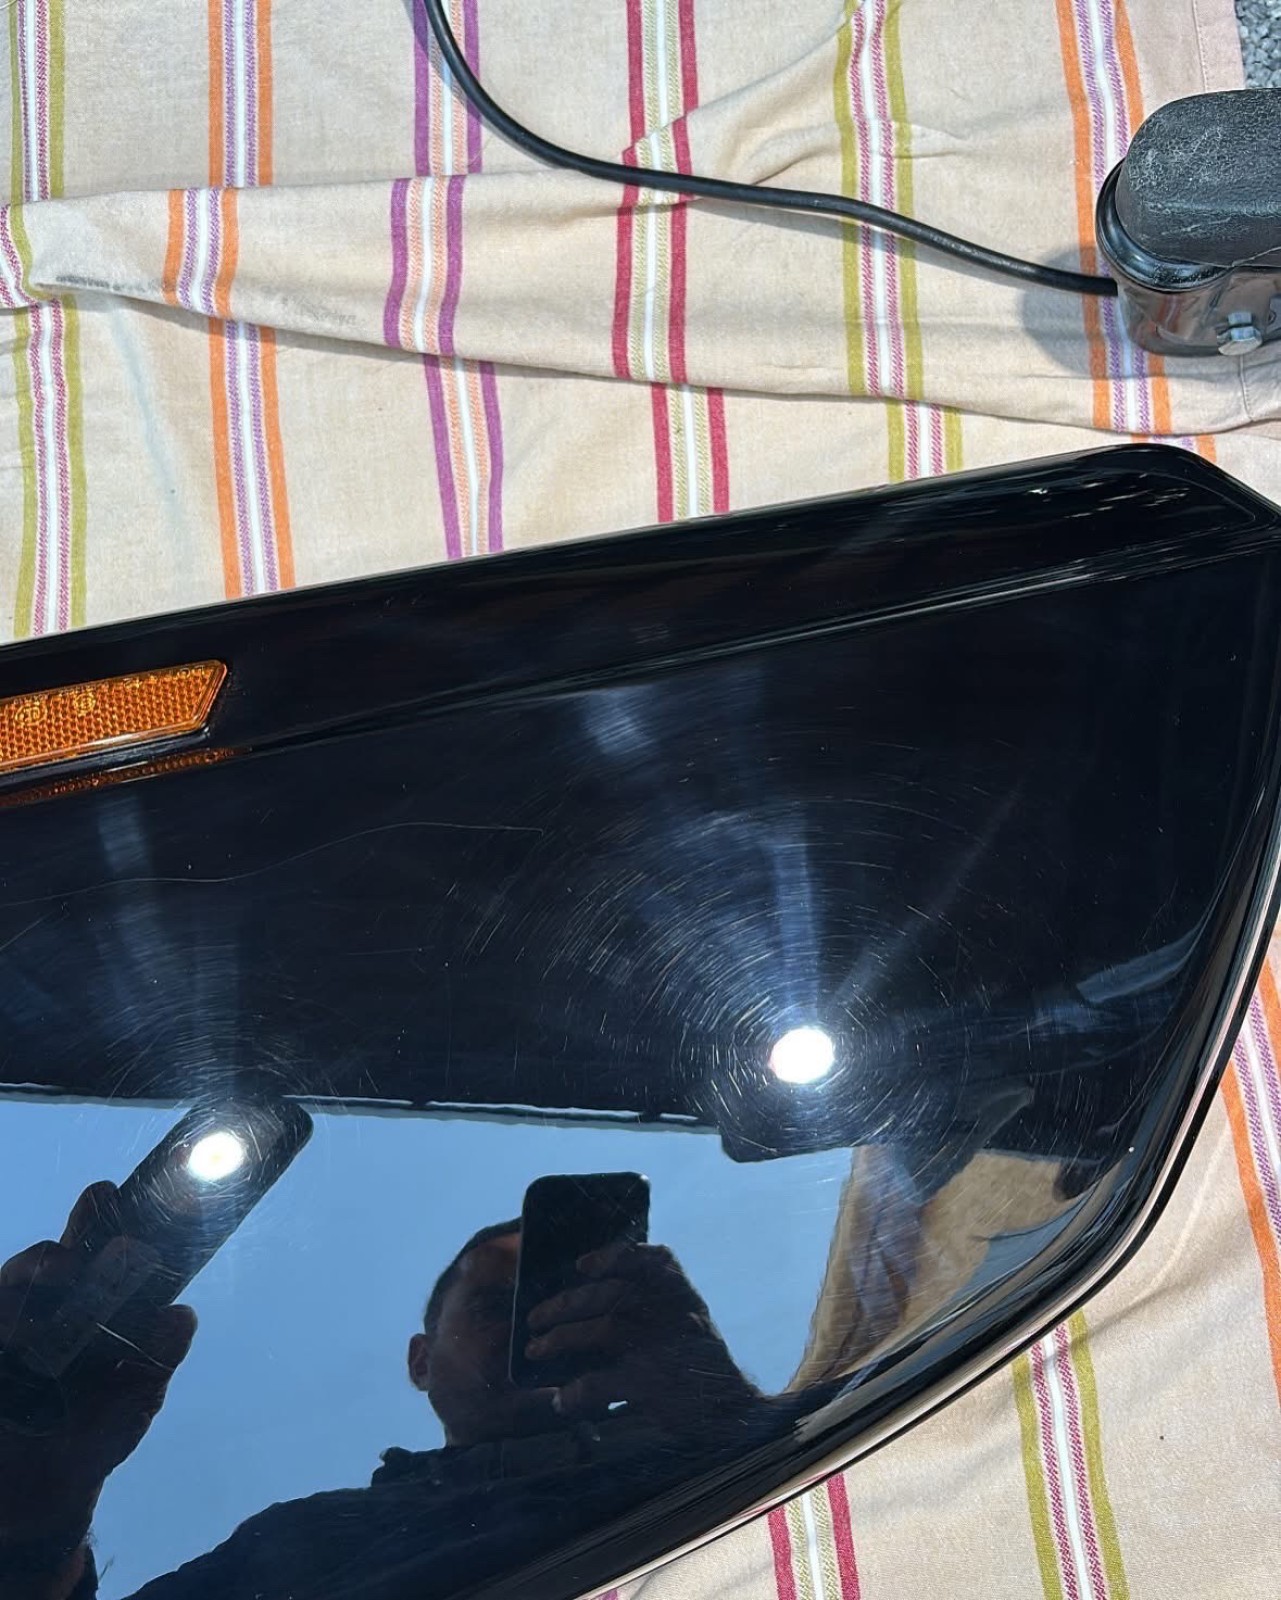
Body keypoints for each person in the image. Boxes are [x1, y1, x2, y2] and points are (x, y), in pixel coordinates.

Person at [0, 1185, 764, 1600]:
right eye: (495, 1304)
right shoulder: (299, 1539)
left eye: (556, 1295)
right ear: (420, 1361)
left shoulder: (730, 1458)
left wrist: (719, 1407)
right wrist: (33, 1525)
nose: (530, 1322)